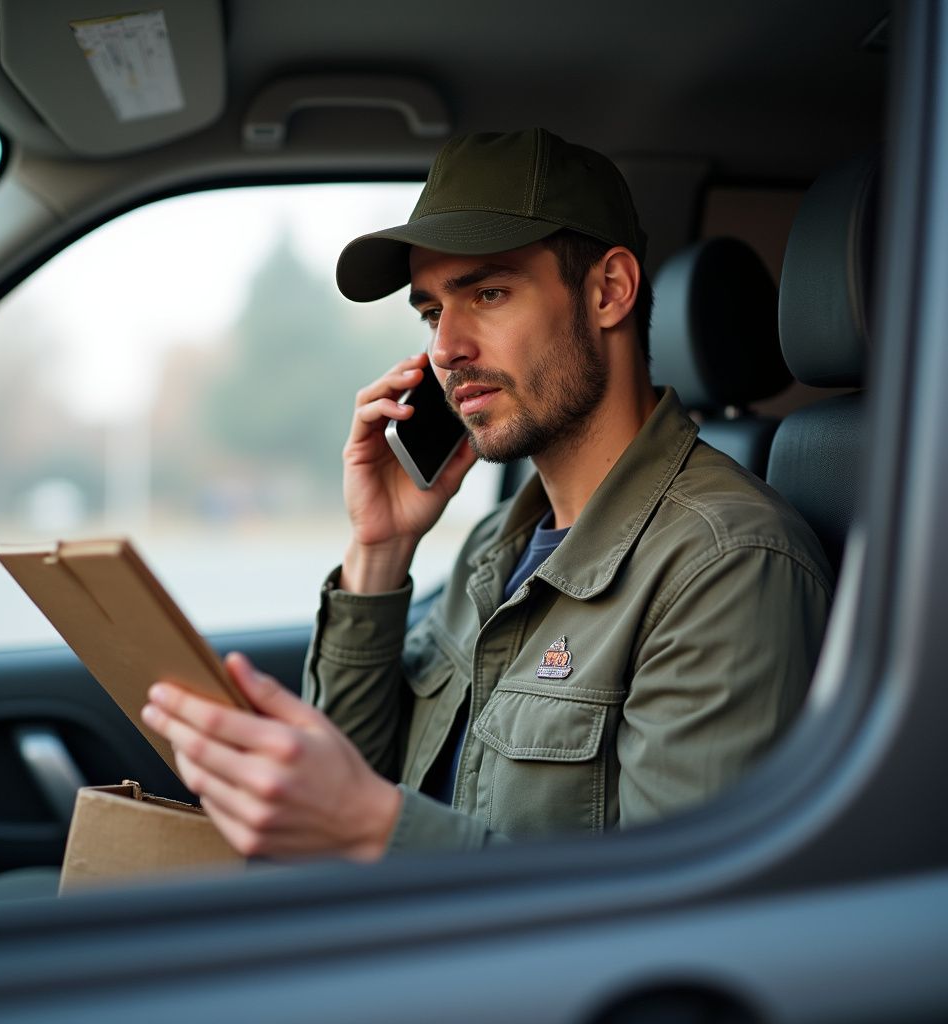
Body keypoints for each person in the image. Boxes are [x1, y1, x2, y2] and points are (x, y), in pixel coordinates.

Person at [142, 128, 833, 860]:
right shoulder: (495, 540)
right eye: (433, 312)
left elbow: (674, 921)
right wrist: (380, 551)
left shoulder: (725, 566)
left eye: (489, 292)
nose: (445, 348)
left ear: (609, 291)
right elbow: (347, 786)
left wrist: (377, 830)